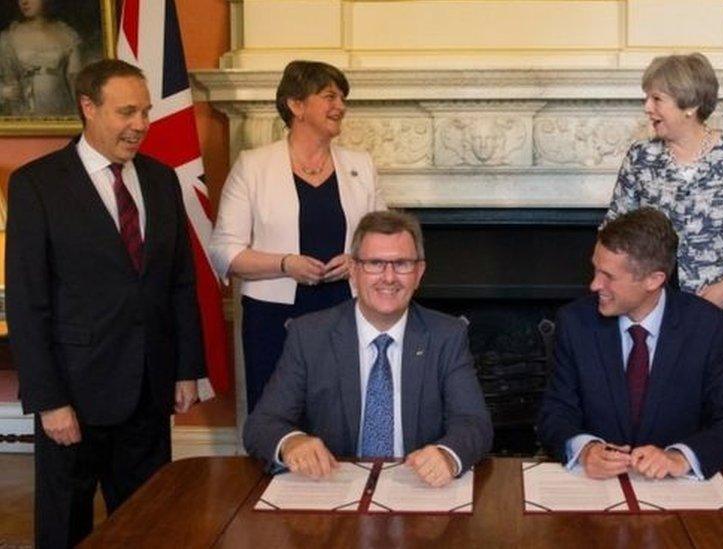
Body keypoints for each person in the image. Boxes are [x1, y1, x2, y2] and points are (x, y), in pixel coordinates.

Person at [5, 59, 205, 549]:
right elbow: (28, 303)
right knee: (65, 525)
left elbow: (180, 282)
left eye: (146, 111)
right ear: (88, 108)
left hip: (149, 388)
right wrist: (49, 400)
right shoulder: (38, 184)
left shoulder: (161, 179)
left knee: (148, 520)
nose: (140, 124)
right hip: (75, 393)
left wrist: (186, 370)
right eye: (127, 112)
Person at [243, 211, 493, 486]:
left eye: (402, 264)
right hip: (334, 488)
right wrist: (291, 443)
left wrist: (447, 455)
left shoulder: (447, 335)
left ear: (419, 272)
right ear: (353, 269)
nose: (389, 277)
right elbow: (261, 424)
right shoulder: (310, 335)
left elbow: (474, 422)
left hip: (416, 489)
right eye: (375, 263)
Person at [209, 60, 385, 412]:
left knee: (345, 409)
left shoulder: (360, 165)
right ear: (296, 105)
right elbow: (223, 251)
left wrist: (357, 260)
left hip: (347, 308)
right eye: (329, 97)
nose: (341, 107)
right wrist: (286, 264)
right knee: (278, 411)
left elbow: (383, 239)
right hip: (273, 317)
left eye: (342, 98)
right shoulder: (253, 166)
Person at [536, 208, 723, 481]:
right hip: (596, 489)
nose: (594, 285)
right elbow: (555, 413)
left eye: (609, 276)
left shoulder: (709, 328)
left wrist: (679, 457)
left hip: (676, 492)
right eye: (595, 270)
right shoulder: (575, 323)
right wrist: (586, 450)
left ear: (654, 280)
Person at [605, 53, 723, 385]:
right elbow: (614, 230)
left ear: (689, 104)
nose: (647, 107)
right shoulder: (641, 158)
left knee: (715, 407)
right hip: (653, 309)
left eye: (657, 98)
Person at [0, 0, 82, 115]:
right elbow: (6, 83)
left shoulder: (67, 35)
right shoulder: (8, 38)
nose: (24, 2)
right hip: (24, 113)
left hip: (61, 110)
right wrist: (4, 92)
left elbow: (75, 82)